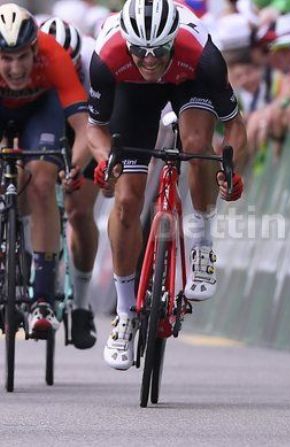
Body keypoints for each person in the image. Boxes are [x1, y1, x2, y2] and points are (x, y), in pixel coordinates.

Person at [88, 0, 247, 370]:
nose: (148, 60)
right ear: (126, 43)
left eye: (158, 51)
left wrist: (229, 168)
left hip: (188, 83)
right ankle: (125, 312)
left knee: (196, 146)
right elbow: (95, 127)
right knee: (126, 201)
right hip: (133, 96)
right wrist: (104, 161)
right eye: (139, 52)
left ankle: (202, 245)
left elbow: (234, 126)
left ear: (172, 41)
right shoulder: (107, 55)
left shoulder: (203, 56)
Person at [0, 3, 89, 338]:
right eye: (6, 59)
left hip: (41, 110)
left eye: (22, 56)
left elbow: (83, 128)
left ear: (35, 49)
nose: (15, 68)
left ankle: (41, 297)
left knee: (41, 182)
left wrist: (74, 165)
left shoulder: (54, 56)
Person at [40, 17, 98, 349]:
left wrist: (74, 169)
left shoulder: (94, 61)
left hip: (87, 122)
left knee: (78, 212)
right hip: (42, 115)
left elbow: (95, 129)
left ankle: (81, 305)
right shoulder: (22, 61)